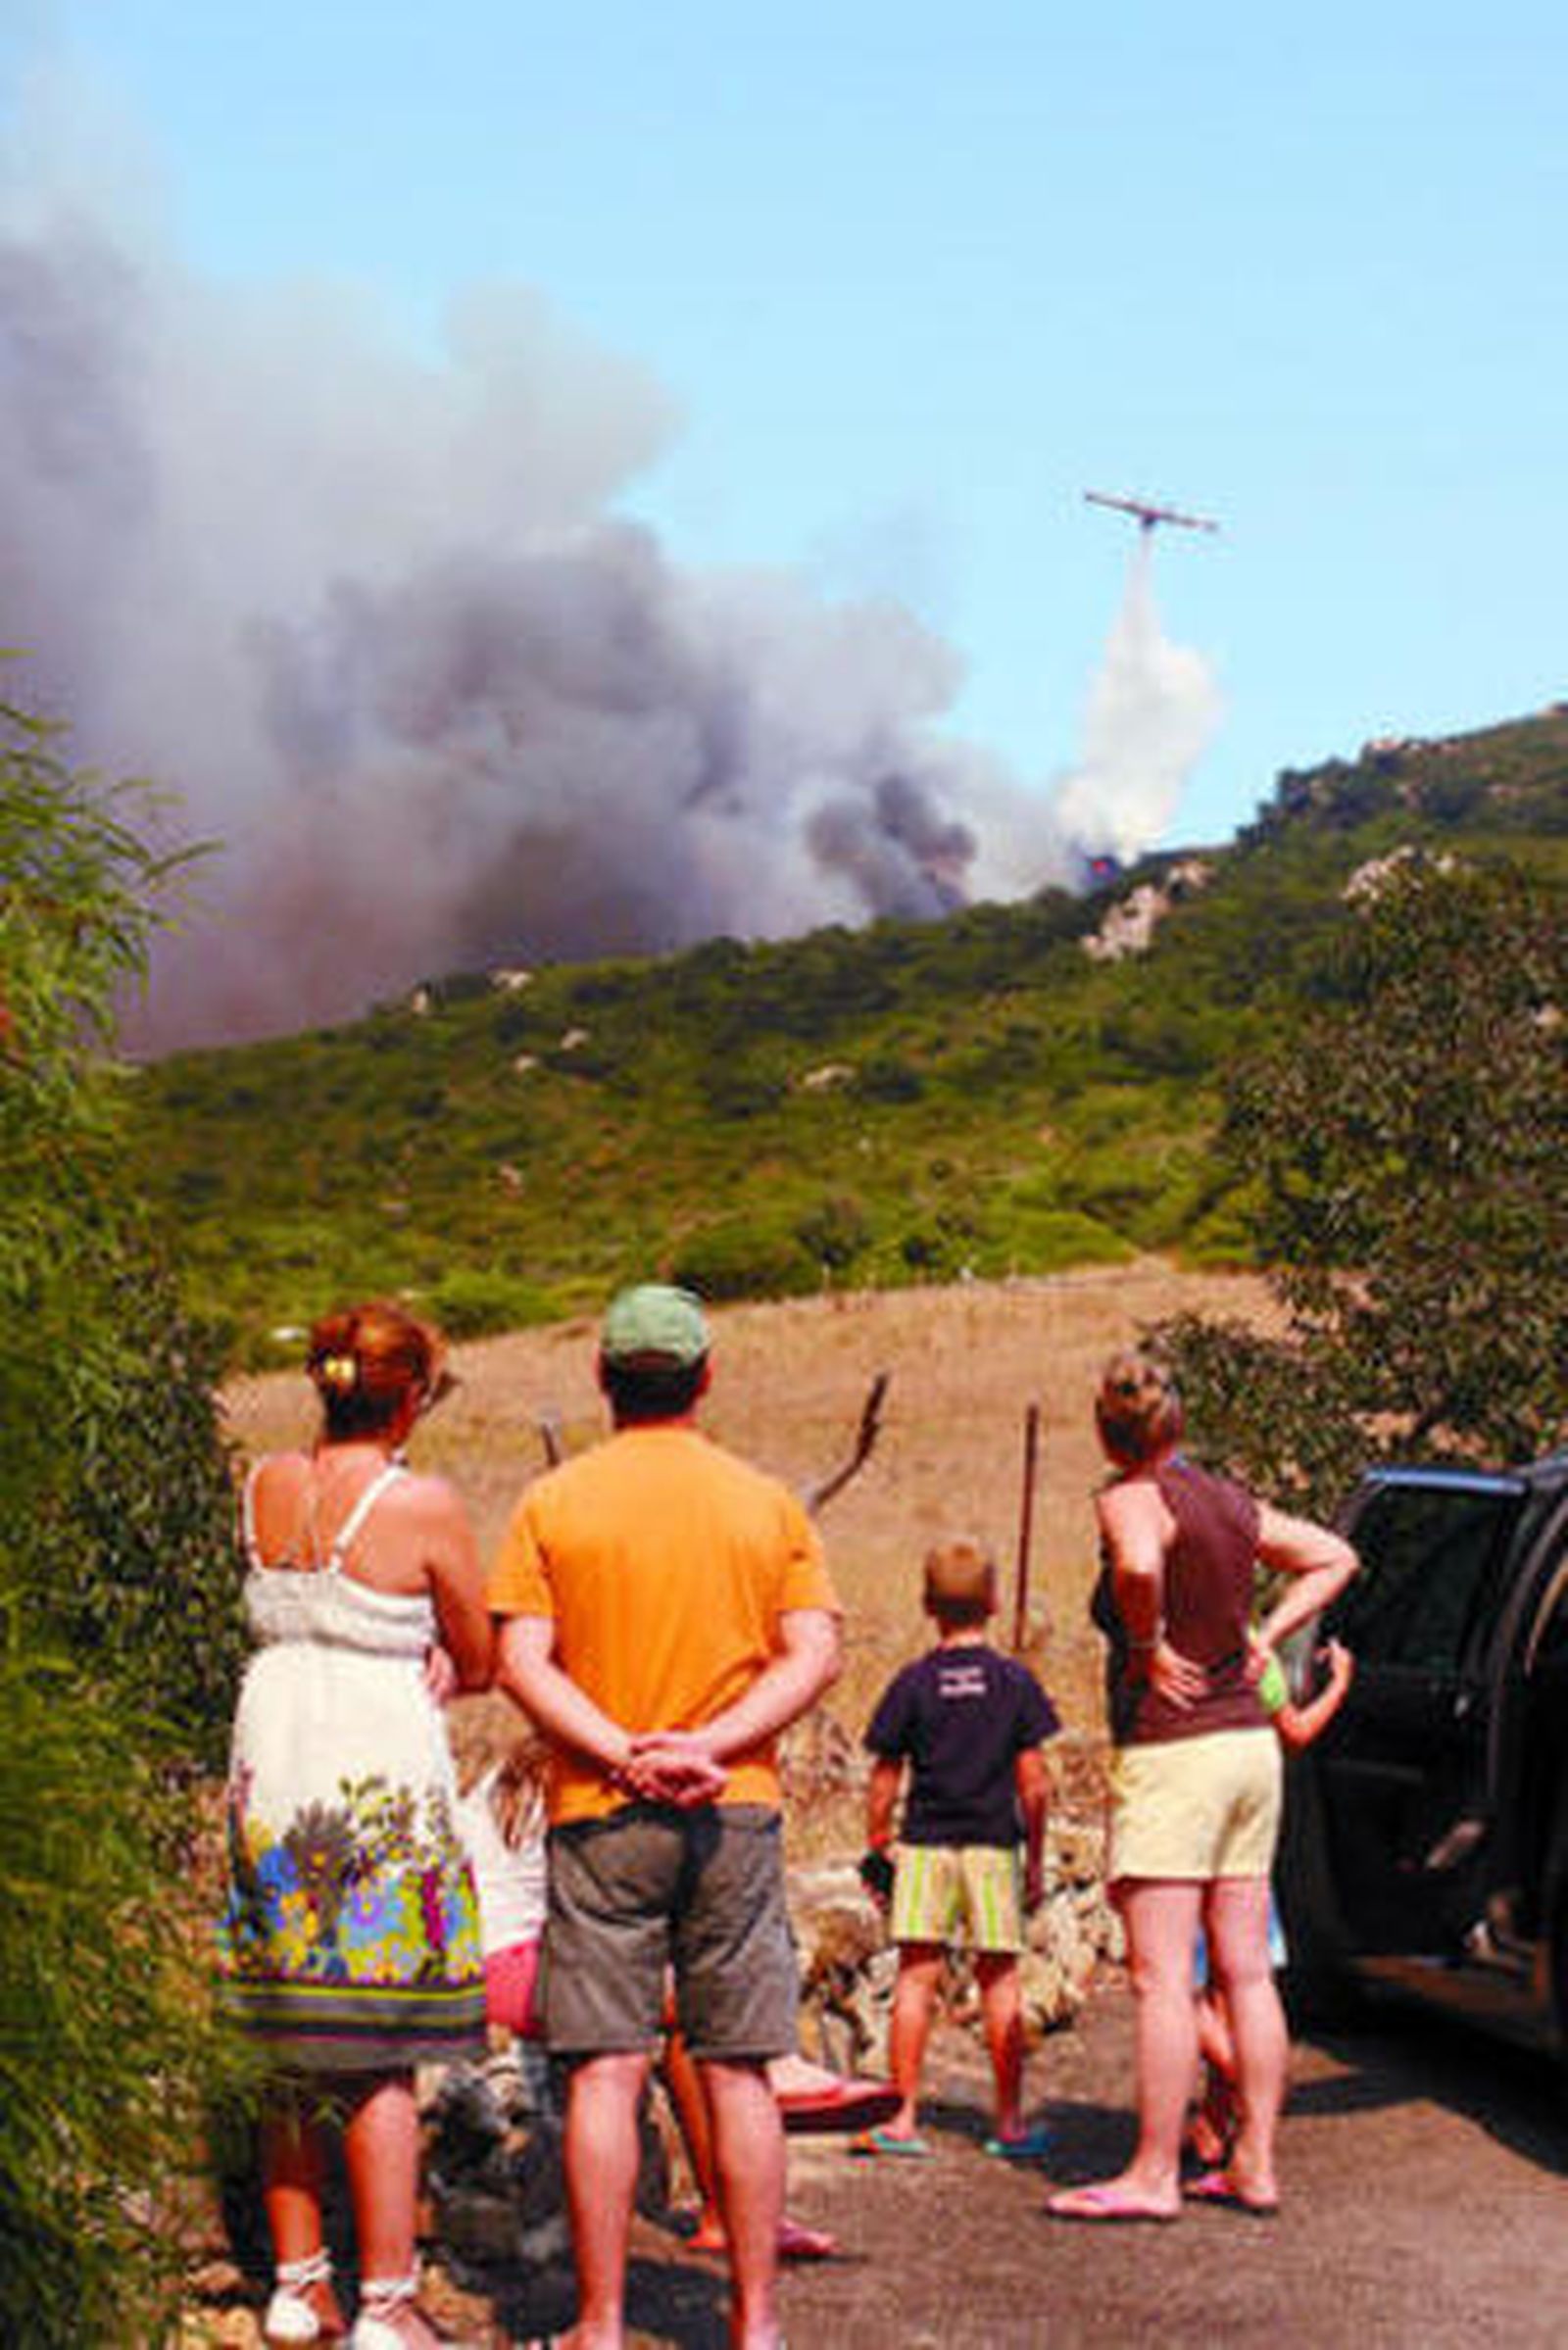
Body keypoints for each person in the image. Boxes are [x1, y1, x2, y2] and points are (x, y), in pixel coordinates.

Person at [489, 1283, 842, 2350]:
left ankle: (597, 2325)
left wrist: (620, 1749)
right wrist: (713, 1746)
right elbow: (814, 1652)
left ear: (602, 1377)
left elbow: (518, 1659)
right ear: (706, 1377)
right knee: (738, 2065)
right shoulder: (764, 1501)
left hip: (600, 1810)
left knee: (604, 2066)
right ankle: (757, 2320)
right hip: (731, 1809)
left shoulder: (553, 1504)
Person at [217, 1301, 493, 2350]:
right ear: (410, 1394)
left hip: (273, 1766)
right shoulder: (419, 1502)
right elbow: (474, 1650)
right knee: (382, 2049)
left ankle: (297, 2285)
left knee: (287, 2038)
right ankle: (387, 2299)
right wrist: (440, 1658)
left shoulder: (265, 1484)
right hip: (371, 1769)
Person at [1048, 1351, 1359, 2226]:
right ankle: (1255, 2161)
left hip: (1175, 1751)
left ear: (1108, 1433)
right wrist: (1268, 1633)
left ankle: (1153, 2173)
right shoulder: (1229, 1500)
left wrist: (1146, 1646)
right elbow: (1335, 1556)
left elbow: (1140, 1566)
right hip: (1248, 1750)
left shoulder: (1126, 1497)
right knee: (1248, 1970)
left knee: (1158, 1978)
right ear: (1177, 1423)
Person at [857, 1540, 1058, 2159]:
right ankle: (1009, 2123)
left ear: (927, 1605)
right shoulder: (1014, 1683)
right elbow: (1035, 1785)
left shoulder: (913, 1684)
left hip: (924, 1846)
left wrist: (877, 1842)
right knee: (1000, 1981)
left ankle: (903, 2117)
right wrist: (1033, 1856)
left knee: (916, 1978)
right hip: (993, 1847)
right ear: (994, 1603)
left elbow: (885, 1778)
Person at [1185, 1637, 1356, 2171]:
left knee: (1174, 1983)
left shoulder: (1174, 1647)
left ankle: (1243, 2080)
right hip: (1249, 1831)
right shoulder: (1258, 1655)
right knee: (1231, 1988)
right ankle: (1218, 2123)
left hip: (1184, 1827)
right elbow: (1298, 1732)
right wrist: (1341, 1684)